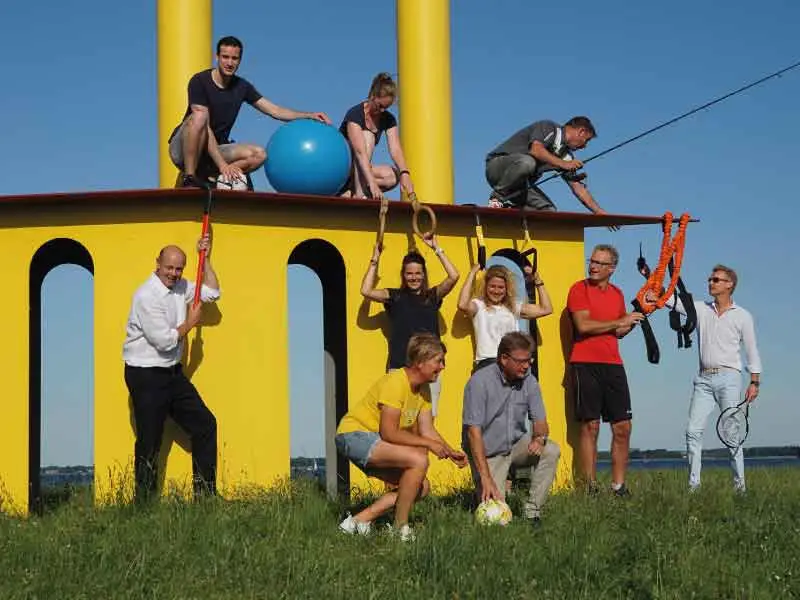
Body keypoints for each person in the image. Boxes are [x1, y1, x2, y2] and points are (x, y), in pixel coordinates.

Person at [336, 333, 467, 541]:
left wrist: (450, 451)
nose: (443, 366)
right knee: (419, 459)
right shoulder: (396, 382)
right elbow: (389, 432)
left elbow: (427, 430)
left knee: (422, 487)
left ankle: (357, 522)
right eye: (438, 361)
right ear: (420, 361)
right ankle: (399, 528)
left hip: (375, 441)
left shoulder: (424, 390)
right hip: (354, 435)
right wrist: (428, 445)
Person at [122, 235, 220, 502]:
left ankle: (206, 497)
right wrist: (190, 323)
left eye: (179, 269)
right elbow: (163, 341)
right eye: (169, 268)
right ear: (158, 264)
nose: (174, 274)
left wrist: (206, 259)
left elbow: (212, 292)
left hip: (172, 373)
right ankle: (143, 504)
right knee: (150, 440)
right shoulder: (145, 296)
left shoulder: (181, 287)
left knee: (205, 425)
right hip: (145, 374)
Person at [169, 36, 331, 189]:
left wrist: (308, 115)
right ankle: (189, 178)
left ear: (240, 60)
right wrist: (222, 164)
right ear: (217, 57)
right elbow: (204, 125)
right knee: (199, 117)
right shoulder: (200, 81)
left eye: (234, 58)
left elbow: (274, 110)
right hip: (185, 149)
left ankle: (218, 177)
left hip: (214, 152)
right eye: (225, 57)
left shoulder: (242, 87)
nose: (229, 63)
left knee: (259, 154)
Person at [658, 265, 762, 493]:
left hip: (730, 377)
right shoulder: (701, 309)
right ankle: (693, 486)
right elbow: (672, 300)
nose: (711, 283)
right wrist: (650, 276)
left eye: (716, 279)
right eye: (710, 279)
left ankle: (740, 487)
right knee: (692, 431)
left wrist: (755, 381)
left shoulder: (742, 316)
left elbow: (752, 350)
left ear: (729, 284)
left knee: (731, 432)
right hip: (704, 379)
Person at [567, 244, 644, 495]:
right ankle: (589, 487)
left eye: (600, 263)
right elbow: (583, 326)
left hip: (613, 364)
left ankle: (619, 486)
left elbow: (619, 331)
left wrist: (637, 315)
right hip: (584, 362)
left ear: (612, 268)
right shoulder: (579, 289)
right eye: (592, 261)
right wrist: (618, 322)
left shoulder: (617, 293)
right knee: (591, 426)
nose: (593, 266)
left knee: (623, 427)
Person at [462, 332, 561, 526]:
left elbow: (540, 421)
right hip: (487, 452)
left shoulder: (530, 380)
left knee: (551, 449)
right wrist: (486, 477)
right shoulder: (479, 382)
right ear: (504, 359)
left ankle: (532, 512)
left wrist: (539, 439)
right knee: (496, 518)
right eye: (521, 361)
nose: (526, 366)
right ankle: (482, 491)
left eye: (529, 360)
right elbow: (473, 433)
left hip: (515, 445)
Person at [360, 235, 459, 414]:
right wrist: (375, 259)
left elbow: (454, 276)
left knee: (427, 420)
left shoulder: (432, 297)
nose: (414, 278)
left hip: (430, 367)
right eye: (409, 273)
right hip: (400, 368)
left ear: (423, 274)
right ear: (404, 275)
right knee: (398, 421)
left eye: (418, 273)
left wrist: (437, 248)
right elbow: (366, 291)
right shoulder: (395, 297)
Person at [485, 116, 609, 215]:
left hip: (519, 184)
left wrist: (598, 211)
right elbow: (536, 150)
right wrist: (564, 164)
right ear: (581, 132)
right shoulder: (549, 127)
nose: (584, 146)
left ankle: (511, 212)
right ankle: (497, 197)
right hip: (498, 169)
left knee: (548, 212)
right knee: (527, 162)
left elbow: (578, 189)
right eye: (586, 141)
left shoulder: (566, 156)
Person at [457, 264, 552, 373]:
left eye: (501, 287)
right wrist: (472, 273)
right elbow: (462, 305)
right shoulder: (479, 305)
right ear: (485, 287)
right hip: (488, 363)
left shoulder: (513, 307)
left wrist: (537, 279)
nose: (496, 291)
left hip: (512, 362)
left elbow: (546, 309)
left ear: (506, 289)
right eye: (492, 286)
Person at [338, 73, 414, 200]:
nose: (383, 111)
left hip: (360, 171)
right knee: (368, 136)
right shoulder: (355, 114)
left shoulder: (388, 119)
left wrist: (405, 173)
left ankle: (350, 191)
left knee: (393, 176)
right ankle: (359, 194)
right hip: (344, 168)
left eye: (386, 107)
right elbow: (360, 153)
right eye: (380, 106)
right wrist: (372, 183)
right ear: (373, 96)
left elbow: (395, 149)